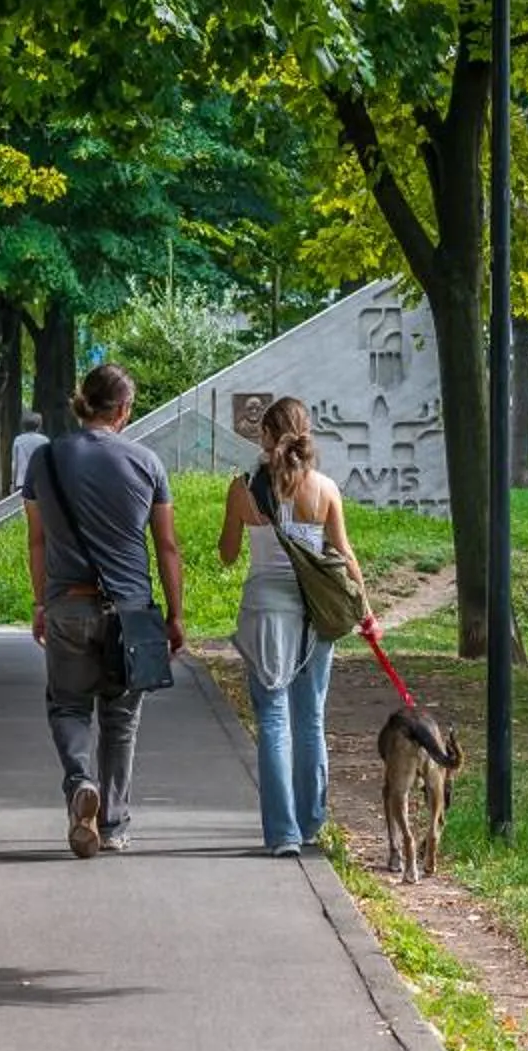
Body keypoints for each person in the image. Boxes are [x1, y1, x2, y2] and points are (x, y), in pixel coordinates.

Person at [26, 364, 187, 858]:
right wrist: (175, 615)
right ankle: (113, 825)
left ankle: (81, 783)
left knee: (68, 706)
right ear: (123, 409)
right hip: (131, 612)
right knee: (121, 720)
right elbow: (166, 546)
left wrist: (41, 602)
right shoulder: (146, 463)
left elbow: (37, 540)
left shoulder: (45, 460)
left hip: (68, 604)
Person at [219, 397, 368, 855]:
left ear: (266, 435)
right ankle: (309, 823)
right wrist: (365, 611)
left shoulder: (243, 488)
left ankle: (282, 834)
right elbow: (343, 554)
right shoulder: (324, 489)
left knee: (272, 719)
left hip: (266, 610)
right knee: (311, 718)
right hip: (315, 612)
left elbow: (227, 553)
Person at [7, 410, 49, 498]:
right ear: (39, 426)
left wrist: (13, 483)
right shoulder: (45, 440)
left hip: (22, 481)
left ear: (23, 426)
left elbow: (15, 463)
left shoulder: (18, 440)